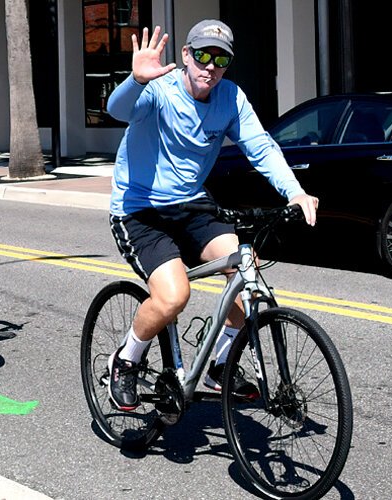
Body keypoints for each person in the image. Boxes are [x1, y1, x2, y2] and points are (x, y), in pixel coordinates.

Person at [104, 21, 319, 411]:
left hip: (192, 205)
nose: (210, 65)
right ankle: (125, 360)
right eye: (202, 54)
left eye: (220, 59)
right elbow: (117, 111)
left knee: (246, 271)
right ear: (186, 55)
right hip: (140, 210)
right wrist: (135, 80)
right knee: (173, 298)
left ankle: (220, 363)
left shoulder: (231, 98)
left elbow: (261, 147)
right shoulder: (159, 90)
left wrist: (295, 191)